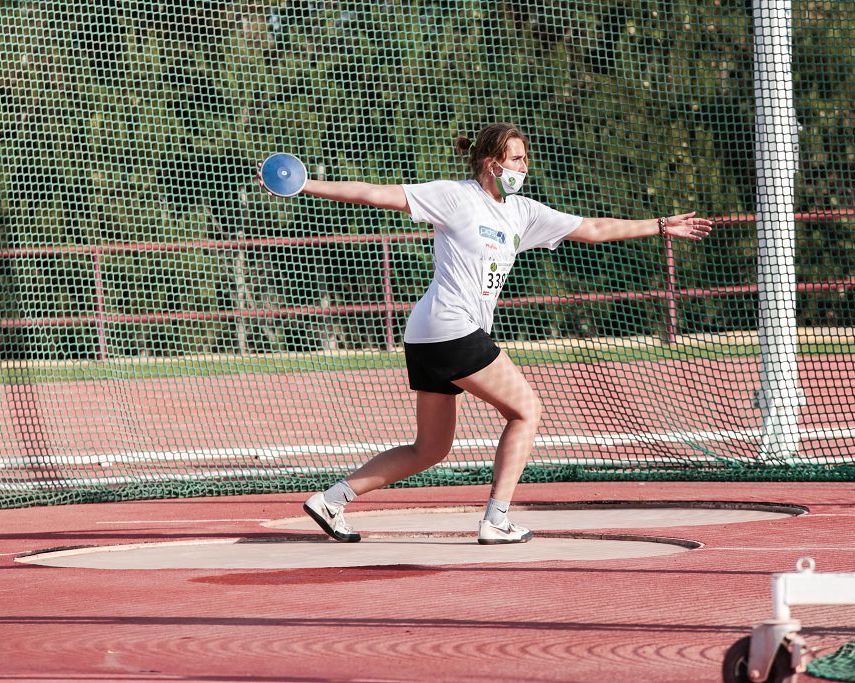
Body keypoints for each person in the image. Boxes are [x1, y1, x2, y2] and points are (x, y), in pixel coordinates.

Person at [258, 123, 712, 545]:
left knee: (430, 448)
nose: (523, 167)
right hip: (449, 326)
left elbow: (590, 228)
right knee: (527, 410)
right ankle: (496, 519)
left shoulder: (522, 213)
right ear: (492, 163)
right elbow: (377, 194)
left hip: (431, 333)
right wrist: (305, 184)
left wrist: (659, 226)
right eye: (516, 159)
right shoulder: (456, 197)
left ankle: (331, 500)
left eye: (524, 159)